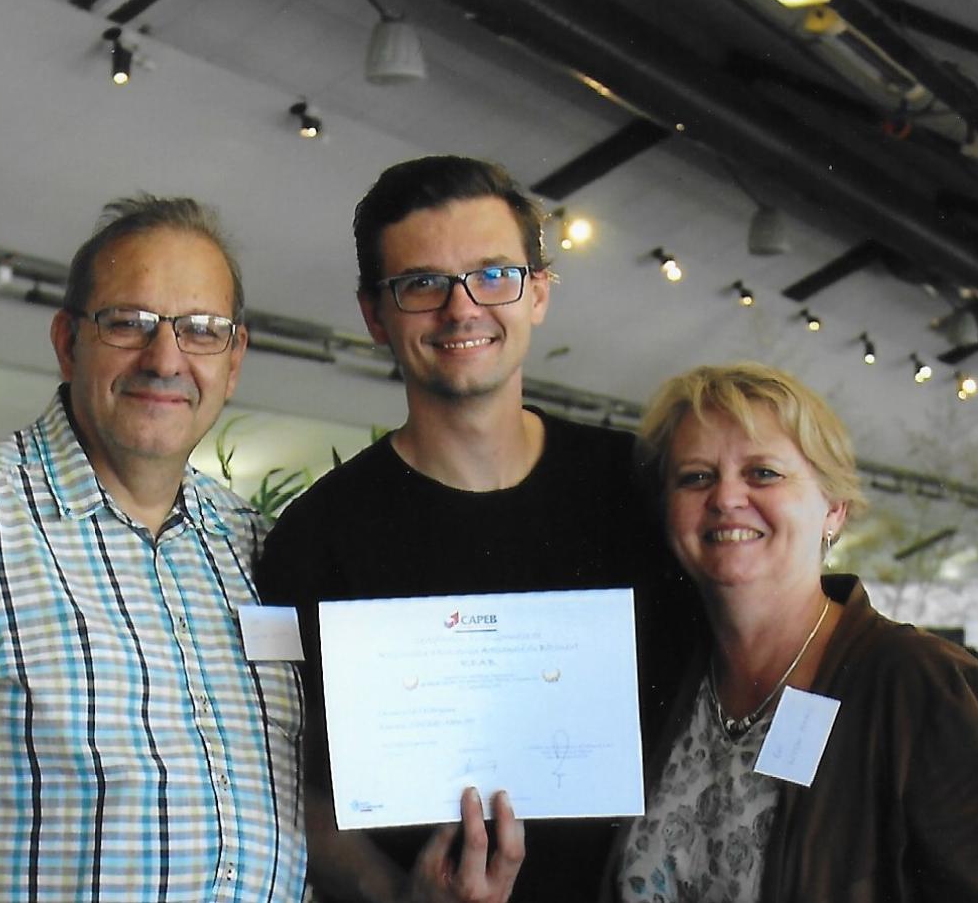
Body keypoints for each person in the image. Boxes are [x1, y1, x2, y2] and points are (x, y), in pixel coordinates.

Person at [0, 196, 309, 901]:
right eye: (129, 324)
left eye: (201, 330)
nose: (166, 358)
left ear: (234, 358)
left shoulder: (254, 550)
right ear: (68, 341)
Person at [256, 155, 692, 902]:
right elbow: (296, 788)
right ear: (374, 314)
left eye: (493, 275)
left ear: (539, 293)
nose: (462, 309)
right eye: (422, 284)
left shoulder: (639, 488)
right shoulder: (316, 538)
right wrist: (403, 900)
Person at [609, 361, 978, 901]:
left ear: (834, 508)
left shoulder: (921, 684)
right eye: (696, 477)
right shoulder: (660, 684)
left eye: (763, 472)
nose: (726, 498)